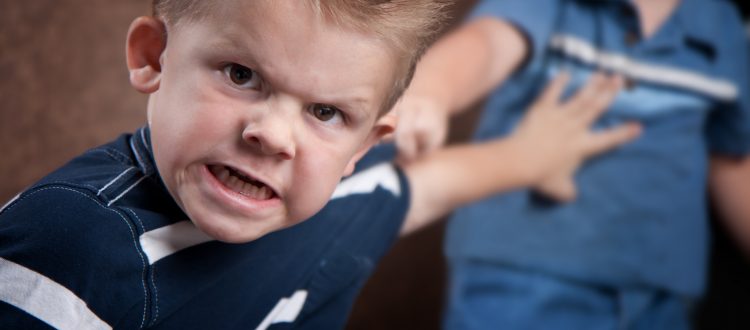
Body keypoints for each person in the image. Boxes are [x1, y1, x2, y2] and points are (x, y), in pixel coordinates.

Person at [0, 0, 639, 329]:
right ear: (153, 57)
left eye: (326, 113)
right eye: (241, 74)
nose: (273, 136)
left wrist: (530, 156)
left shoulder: (331, 202)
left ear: (365, 143)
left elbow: (415, 190)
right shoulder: (75, 245)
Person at [393, 0, 750, 328]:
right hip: (525, 270)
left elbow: (732, 160)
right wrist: (432, 90)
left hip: (660, 286)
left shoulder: (721, 23)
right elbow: (488, 43)